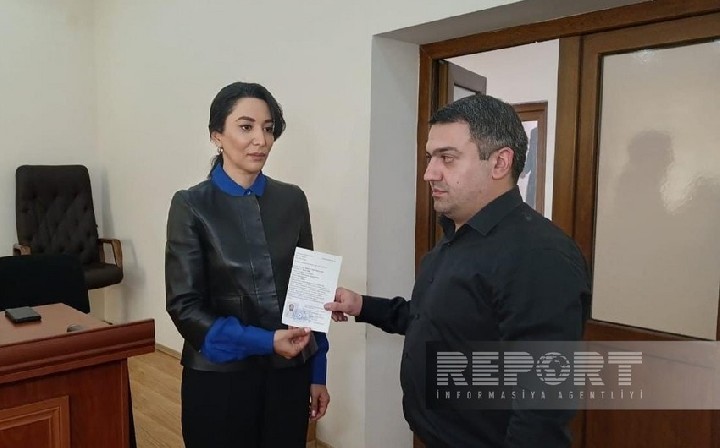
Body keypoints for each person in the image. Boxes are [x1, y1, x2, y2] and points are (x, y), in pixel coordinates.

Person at [326, 94, 590, 447]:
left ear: (499, 163)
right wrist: (361, 305)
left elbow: (542, 406)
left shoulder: (539, 256)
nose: (429, 173)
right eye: (430, 158)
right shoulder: (456, 237)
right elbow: (432, 321)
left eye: (447, 158)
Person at [166, 81, 329, 448]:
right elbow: (184, 306)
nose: (261, 140)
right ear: (217, 136)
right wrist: (267, 341)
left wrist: (317, 372)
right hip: (220, 377)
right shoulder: (191, 205)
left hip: (288, 375)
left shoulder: (292, 200)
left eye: (268, 128)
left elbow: (308, 294)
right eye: (246, 126)